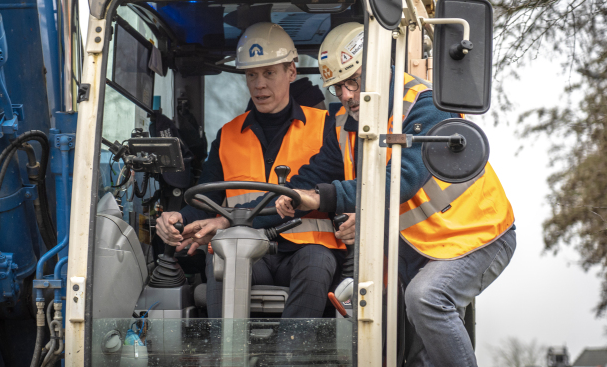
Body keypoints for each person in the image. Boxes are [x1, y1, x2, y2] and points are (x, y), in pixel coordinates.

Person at [274, 22, 517, 366]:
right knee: (411, 349)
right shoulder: (344, 123)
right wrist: (289, 196)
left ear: (376, 67)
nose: (345, 95)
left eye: (353, 82)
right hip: (415, 245)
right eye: (337, 87)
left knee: (426, 298)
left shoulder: (426, 104)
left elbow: (402, 179)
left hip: (476, 235)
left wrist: (323, 199)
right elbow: (319, 173)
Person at [155, 22, 353, 319]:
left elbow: (321, 189)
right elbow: (205, 200)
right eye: (251, 75)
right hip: (245, 249)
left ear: (291, 72)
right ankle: (227, 354)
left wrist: (221, 221)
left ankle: (292, 358)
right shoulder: (227, 135)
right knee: (220, 253)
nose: (259, 84)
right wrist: (179, 218)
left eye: (269, 73)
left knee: (316, 261)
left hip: (306, 249)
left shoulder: (328, 127)